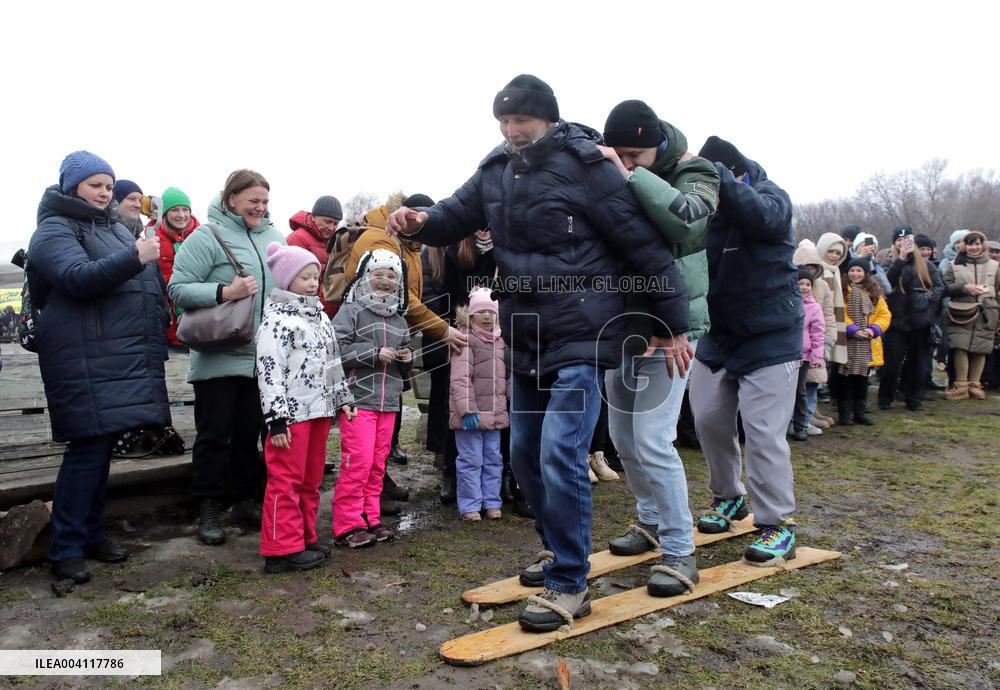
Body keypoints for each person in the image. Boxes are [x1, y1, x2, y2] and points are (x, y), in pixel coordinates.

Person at [385, 74, 691, 632]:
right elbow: (454, 213)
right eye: (503, 121)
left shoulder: (587, 165)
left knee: (561, 452)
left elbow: (643, 245)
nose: (511, 130)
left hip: (584, 331)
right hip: (525, 333)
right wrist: (420, 221)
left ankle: (571, 584)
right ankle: (558, 551)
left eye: (520, 120)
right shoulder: (496, 169)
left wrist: (672, 325)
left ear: (547, 118)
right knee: (524, 454)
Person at [596, 99, 719, 596]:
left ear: (657, 146)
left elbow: (688, 222)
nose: (626, 163)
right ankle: (649, 522)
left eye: (634, 155)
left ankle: (678, 549)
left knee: (652, 438)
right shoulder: (617, 169)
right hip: (620, 325)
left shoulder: (696, 171)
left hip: (674, 327)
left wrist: (627, 178)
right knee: (623, 438)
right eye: (618, 155)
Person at [27, 151, 168, 583]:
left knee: (102, 449)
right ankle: (65, 547)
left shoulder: (111, 228)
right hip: (82, 357)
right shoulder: (53, 229)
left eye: (109, 185)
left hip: (115, 355)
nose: (105, 193)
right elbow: (76, 277)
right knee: (86, 450)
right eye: (96, 185)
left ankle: (88, 534)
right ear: (72, 187)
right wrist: (136, 257)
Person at [688, 135, 801, 567]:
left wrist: (715, 179)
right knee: (709, 420)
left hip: (771, 337)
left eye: (713, 179)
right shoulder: (704, 209)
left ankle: (776, 523)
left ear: (733, 175)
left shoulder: (771, 197)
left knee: (763, 431)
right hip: (719, 335)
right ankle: (729, 497)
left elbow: (762, 217)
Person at [168, 169, 284, 546]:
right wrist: (224, 291)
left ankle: (245, 499)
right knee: (214, 434)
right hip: (218, 355)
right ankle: (209, 505)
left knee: (251, 432)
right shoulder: (206, 237)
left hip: (260, 358)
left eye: (265, 201)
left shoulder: (273, 237)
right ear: (231, 198)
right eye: (253, 200)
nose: (260, 208)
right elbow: (177, 289)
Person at [344, 192, 460, 511]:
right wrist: (444, 329)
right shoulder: (381, 242)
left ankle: (378, 481)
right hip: (368, 345)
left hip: (391, 344)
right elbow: (403, 298)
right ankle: (363, 498)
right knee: (368, 424)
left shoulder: (407, 244)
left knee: (385, 423)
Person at [255, 242, 355, 573]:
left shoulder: (320, 318)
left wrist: (343, 398)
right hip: (292, 416)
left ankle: (304, 536)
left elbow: (332, 361)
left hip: (319, 411)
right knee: (286, 480)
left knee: (311, 479)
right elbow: (269, 370)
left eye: (316, 276)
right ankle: (280, 550)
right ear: (286, 280)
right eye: (305, 277)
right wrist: (276, 418)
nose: (313, 283)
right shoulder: (277, 321)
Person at [331, 249, 412, 547]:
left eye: (391, 276)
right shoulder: (351, 311)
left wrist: (407, 356)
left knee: (378, 463)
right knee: (359, 462)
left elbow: (406, 359)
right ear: (366, 277)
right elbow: (336, 350)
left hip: (388, 403)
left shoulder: (400, 320)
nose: (384, 280)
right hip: (358, 400)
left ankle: (370, 517)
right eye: (378, 274)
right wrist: (373, 354)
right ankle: (347, 525)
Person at [450, 287, 508, 521]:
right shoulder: (465, 340)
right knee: (470, 460)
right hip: (470, 415)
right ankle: (470, 505)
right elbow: (460, 377)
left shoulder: (501, 341)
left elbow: (506, 378)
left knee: (494, 460)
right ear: (471, 316)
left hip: (494, 415)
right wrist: (467, 408)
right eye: (481, 312)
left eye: (491, 312)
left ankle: (492, 502)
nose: (487, 316)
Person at [878, 226, 944, 411]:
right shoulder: (889, 262)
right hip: (896, 322)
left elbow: (939, 287)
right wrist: (900, 260)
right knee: (891, 364)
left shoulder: (925, 264)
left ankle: (913, 398)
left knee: (918, 363)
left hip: (919, 322)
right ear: (894, 243)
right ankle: (885, 398)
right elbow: (886, 283)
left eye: (906, 240)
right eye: (899, 240)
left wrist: (926, 299)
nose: (903, 243)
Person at [942, 230, 1000, 400]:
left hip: (987, 312)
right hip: (961, 312)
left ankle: (975, 385)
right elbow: (944, 287)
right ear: (964, 246)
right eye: (970, 244)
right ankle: (961, 386)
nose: (973, 247)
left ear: (983, 245)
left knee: (980, 349)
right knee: (960, 347)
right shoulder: (954, 265)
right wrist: (963, 288)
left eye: (977, 244)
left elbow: (998, 291)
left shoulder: (994, 266)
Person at [841, 258, 891, 425]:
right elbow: (840, 313)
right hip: (849, 342)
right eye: (852, 270)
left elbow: (885, 315)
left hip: (868, 342)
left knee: (862, 379)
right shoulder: (842, 291)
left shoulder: (875, 293)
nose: (855, 274)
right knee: (845, 378)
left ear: (865, 273)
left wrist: (873, 329)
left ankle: (859, 411)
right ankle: (845, 412)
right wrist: (853, 330)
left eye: (859, 271)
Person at [792, 239, 836, 430]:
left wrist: (829, 339)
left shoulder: (822, 286)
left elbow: (828, 313)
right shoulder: (792, 285)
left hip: (815, 343)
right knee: (796, 387)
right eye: (806, 266)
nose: (810, 270)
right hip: (795, 346)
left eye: (813, 266)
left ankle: (807, 417)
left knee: (812, 383)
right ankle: (795, 420)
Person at [152, 187, 200, 349]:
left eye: (185, 209)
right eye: (174, 210)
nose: (181, 215)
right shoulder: (152, 239)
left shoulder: (202, 236)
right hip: (166, 326)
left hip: (200, 324)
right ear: (164, 213)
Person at [287, 195, 342, 317]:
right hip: (304, 311)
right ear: (313, 217)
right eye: (327, 221)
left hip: (324, 312)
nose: (331, 227)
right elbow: (292, 282)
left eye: (336, 223)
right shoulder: (297, 238)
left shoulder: (332, 241)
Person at [791, 269, 827, 441]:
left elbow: (818, 333)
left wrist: (816, 357)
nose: (804, 287)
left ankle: (800, 426)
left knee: (800, 391)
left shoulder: (814, 308)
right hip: (785, 354)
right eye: (800, 283)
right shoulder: (788, 303)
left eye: (808, 284)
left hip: (803, 356)